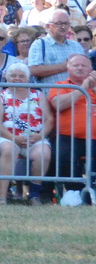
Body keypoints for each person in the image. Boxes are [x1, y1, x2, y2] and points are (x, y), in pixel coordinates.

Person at [0, 62, 49, 205]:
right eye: (13, 76)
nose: (17, 79)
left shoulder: (39, 95)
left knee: (44, 153)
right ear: (7, 78)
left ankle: (33, 195)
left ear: (27, 79)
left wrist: (40, 136)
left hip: (34, 138)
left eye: (21, 76)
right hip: (5, 136)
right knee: (8, 149)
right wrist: (13, 138)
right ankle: (2, 196)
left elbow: (49, 119)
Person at [48, 53, 96, 194]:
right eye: (76, 65)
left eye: (84, 65)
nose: (80, 68)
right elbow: (58, 104)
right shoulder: (60, 85)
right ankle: (74, 191)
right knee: (62, 154)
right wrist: (83, 89)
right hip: (69, 137)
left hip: (94, 137)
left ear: (91, 69)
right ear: (68, 69)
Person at [28, 9, 79, 85]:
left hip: (76, 91)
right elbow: (33, 70)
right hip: (51, 92)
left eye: (66, 23)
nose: (63, 27)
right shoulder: (39, 45)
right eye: (59, 23)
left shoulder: (76, 46)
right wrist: (62, 67)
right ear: (48, 26)